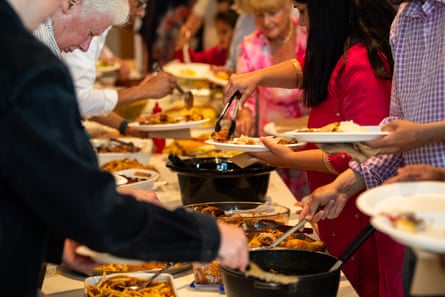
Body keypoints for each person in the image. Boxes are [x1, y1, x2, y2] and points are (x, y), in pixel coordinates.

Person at [0, 1, 249, 297]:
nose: (85, 47)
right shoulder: (25, 64)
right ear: (68, 4)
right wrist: (208, 236)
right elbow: (93, 209)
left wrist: (54, 243)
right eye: (92, 32)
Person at [222, 0, 403, 296]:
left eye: (303, 12)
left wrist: (289, 157)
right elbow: (309, 67)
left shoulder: (361, 64)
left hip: (357, 216)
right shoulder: (342, 52)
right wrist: (257, 76)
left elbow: (357, 155)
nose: (301, 23)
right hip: (338, 211)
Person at [296, 1, 445, 295]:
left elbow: (410, 135)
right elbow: (396, 131)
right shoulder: (404, 21)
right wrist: (344, 185)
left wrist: (424, 135)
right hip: (418, 221)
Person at [59, 0, 177, 137]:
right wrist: (144, 91)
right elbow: (80, 101)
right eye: (140, 3)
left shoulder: (98, 23)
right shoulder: (87, 24)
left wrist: (125, 126)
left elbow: (86, 103)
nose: (142, 13)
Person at [234, 0, 310, 200]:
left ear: (287, 8)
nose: (266, 22)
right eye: (259, 15)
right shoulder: (250, 45)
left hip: (309, 139)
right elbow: (243, 93)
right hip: (271, 142)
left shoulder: (308, 36)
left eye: (272, 13)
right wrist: (244, 113)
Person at [174, 9, 239, 66]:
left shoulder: (242, 57)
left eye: (224, 32)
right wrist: (182, 45)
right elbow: (196, 59)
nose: (220, 37)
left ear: (237, 32)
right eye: (218, 32)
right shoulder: (218, 52)